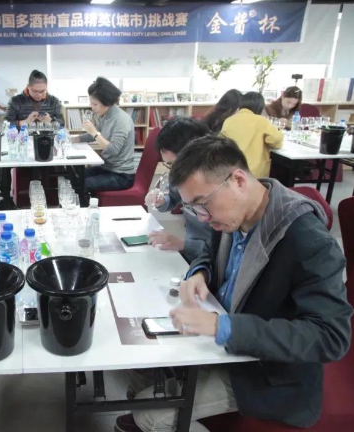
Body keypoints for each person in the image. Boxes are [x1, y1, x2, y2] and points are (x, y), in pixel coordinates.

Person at [114, 136, 352, 432]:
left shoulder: (307, 240)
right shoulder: (231, 213)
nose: (202, 218)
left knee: (150, 414)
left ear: (238, 180)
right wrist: (200, 274)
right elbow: (208, 253)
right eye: (193, 209)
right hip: (218, 343)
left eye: (202, 204)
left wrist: (222, 327)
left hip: (265, 369)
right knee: (134, 356)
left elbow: (331, 337)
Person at [0, 70, 65, 210]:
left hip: (46, 143)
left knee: (55, 163)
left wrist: (51, 120)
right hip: (22, 143)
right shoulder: (16, 101)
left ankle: (51, 200)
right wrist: (24, 122)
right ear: (28, 87)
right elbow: (7, 123)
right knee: (2, 165)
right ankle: (7, 200)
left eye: (43, 91)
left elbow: (62, 123)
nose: (39, 95)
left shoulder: (53, 101)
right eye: (36, 91)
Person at [145, 117, 212, 262]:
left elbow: (222, 254)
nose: (174, 171)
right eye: (169, 165)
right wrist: (161, 200)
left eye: (174, 164)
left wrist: (183, 244)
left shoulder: (217, 190)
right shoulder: (184, 175)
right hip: (191, 255)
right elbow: (172, 197)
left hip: (207, 261)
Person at [72, 77, 136, 193]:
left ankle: (86, 204)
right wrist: (74, 139)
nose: (92, 108)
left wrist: (94, 132)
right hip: (107, 168)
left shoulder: (121, 119)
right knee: (74, 176)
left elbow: (113, 150)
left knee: (81, 184)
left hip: (122, 175)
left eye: (95, 104)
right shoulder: (106, 116)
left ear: (107, 102)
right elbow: (93, 135)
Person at [220, 91, 283, 178]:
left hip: (230, 168)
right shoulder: (261, 121)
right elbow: (276, 140)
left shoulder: (229, 120)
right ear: (260, 107)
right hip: (254, 172)